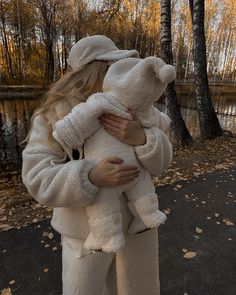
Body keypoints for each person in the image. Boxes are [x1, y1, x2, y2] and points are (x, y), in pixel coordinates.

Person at [21, 35, 173, 295]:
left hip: (139, 230)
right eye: (113, 64)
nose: (120, 70)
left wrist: (143, 139)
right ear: (96, 68)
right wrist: (89, 176)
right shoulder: (55, 115)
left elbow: (163, 164)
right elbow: (36, 177)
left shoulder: (138, 107)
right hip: (87, 238)